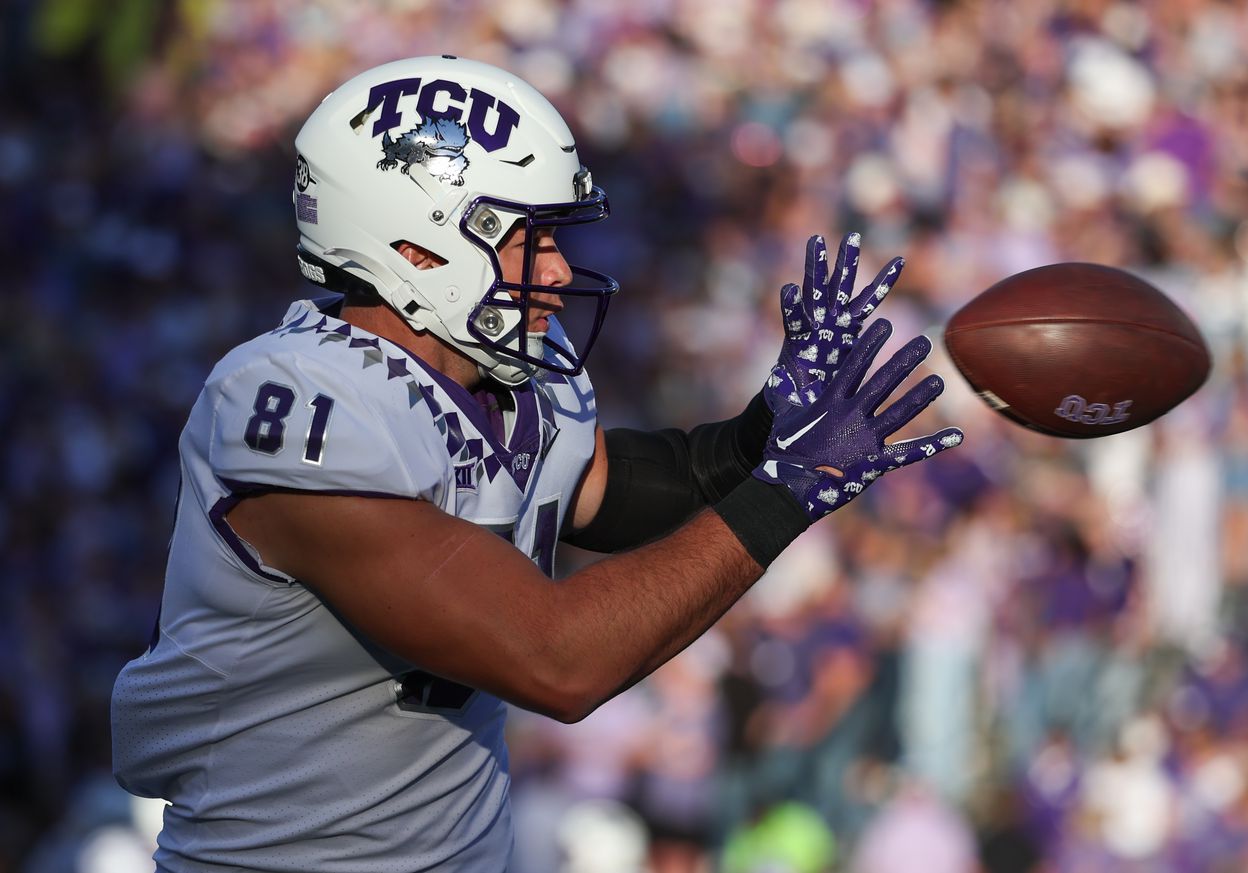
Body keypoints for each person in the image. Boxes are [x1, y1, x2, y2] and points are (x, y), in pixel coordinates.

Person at [110, 55, 963, 872]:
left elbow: (595, 484)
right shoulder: (297, 398)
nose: (555, 271)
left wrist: (755, 439)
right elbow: (556, 658)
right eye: (524, 238)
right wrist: (786, 491)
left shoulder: (503, 375)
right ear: (414, 248)